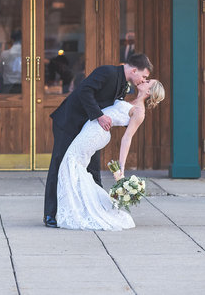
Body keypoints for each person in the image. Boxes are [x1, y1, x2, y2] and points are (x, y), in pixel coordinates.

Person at [43, 53, 153, 228]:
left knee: (93, 169)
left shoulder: (125, 84)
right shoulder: (107, 72)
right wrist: (99, 116)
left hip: (90, 129)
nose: (143, 80)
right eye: (144, 76)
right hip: (70, 122)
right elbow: (84, 91)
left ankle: (97, 207)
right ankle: (50, 213)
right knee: (60, 163)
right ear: (134, 70)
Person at [56, 79, 165, 230]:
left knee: (70, 161)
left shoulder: (139, 111)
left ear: (149, 92)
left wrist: (121, 168)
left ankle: (78, 210)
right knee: (74, 165)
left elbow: (127, 138)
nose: (143, 80)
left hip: (97, 132)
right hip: (93, 127)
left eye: (147, 82)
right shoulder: (130, 98)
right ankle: (80, 206)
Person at [0, 29, 22, 94]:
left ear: (12, 40)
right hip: (24, 86)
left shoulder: (4, 54)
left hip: (8, 87)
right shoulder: (28, 53)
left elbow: (1, 72)